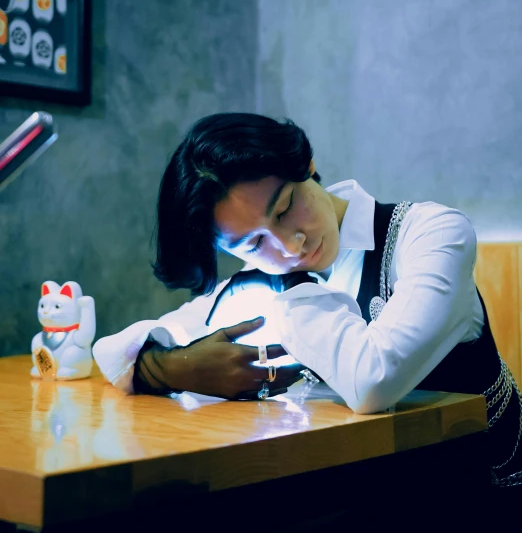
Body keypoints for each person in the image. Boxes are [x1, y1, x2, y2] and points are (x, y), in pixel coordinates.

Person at [93, 112, 522, 490]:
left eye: (284, 209)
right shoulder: (257, 283)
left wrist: (297, 288)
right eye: (252, 242)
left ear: (308, 166)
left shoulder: (429, 234)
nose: (288, 245)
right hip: (367, 505)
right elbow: (114, 350)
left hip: (483, 507)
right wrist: (178, 368)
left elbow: (372, 380)